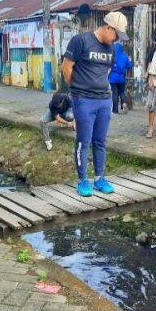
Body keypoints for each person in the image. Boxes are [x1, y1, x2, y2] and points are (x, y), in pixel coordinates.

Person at [61, 11, 129, 197]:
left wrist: (99, 86)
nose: (117, 40)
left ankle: (100, 178)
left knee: (100, 141)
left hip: (104, 100)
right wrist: (77, 89)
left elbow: (106, 71)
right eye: (116, 34)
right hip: (83, 100)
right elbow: (66, 67)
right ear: (108, 28)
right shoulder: (80, 41)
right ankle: (83, 180)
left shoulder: (112, 48)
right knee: (84, 140)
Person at [109, 42, 133, 114]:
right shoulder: (125, 56)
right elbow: (129, 66)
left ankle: (115, 110)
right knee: (122, 92)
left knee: (115, 93)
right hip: (122, 77)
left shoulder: (112, 56)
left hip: (113, 77)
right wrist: (130, 60)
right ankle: (124, 103)